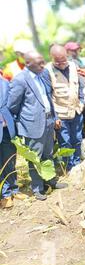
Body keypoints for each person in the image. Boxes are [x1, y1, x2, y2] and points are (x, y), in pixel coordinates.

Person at [7, 51, 67, 201]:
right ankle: (37, 188)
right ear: (28, 64)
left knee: (48, 154)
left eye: (42, 61)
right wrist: (26, 122)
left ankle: (51, 181)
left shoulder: (44, 73)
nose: (42, 65)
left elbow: (48, 96)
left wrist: (55, 117)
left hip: (48, 121)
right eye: (39, 62)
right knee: (35, 158)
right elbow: (12, 105)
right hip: (32, 126)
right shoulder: (20, 80)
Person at [47, 45, 85, 171]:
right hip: (60, 114)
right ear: (52, 58)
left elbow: (80, 85)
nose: (62, 63)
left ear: (66, 55)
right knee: (65, 142)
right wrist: (55, 117)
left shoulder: (73, 66)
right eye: (58, 61)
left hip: (76, 111)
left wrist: (82, 102)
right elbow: (48, 96)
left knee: (77, 139)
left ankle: (77, 163)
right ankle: (69, 166)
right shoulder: (48, 71)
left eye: (63, 59)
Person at [1, 77, 25, 208]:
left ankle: (14, 190)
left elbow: (12, 105)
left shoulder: (5, 82)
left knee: (10, 161)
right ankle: (4, 195)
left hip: (7, 129)